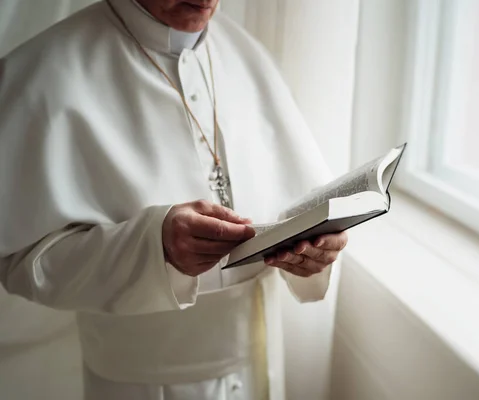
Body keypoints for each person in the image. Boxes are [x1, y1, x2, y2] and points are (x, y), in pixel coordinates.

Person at [0, 0, 348, 399]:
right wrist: (154, 247)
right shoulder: (41, 71)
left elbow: (299, 197)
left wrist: (316, 250)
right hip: (141, 382)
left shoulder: (245, 52)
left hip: (259, 364)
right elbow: (20, 260)